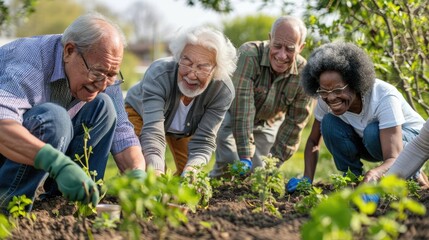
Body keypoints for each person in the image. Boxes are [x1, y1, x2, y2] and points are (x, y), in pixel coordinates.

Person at [0, 12, 146, 213]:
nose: (103, 84)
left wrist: (138, 175)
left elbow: (122, 132)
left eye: (111, 75)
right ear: (69, 51)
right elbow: (3, 128)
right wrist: (57, 164)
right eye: (97, 73)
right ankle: (7, 206)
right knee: (55, 119)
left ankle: (69, 205)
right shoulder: (29, 62)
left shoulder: (102, 68)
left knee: (103, 107)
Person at [286, 41, 429, 193]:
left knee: (372, 132)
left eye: (338, 89)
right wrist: (307, 178)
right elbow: (313, 141)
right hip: (368, 142)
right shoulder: (325, 99)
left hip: (411, 142)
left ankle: (413, 175)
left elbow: (393, 157)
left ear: (355, 83)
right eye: (324, 91)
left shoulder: (384, 96)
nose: (331, 97)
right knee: (328, 123)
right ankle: (353, 181)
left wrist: (374, 174)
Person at [124, 26, 237, 176]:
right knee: (147, 169)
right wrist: (157, 170)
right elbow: (152, 131)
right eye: (187, 62)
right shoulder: (159, 74)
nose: (191, 74)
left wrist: (191, 171)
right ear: (178, 57)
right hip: (140, 115)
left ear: (216, 69)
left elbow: (204, 141)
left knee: (188, 174)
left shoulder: (222, 91)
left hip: (184, 130)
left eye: (203, 67)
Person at [209, 16, 313, 177]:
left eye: (290, 49)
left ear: (301, 47)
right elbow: (242, 106)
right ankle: (212, 188)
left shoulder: (304, 74)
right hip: (231, 114)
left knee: (258, 173)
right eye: (277, 46)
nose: (281, 55)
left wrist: (275, 162)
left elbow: (295, 123)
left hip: (267, 122)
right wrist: (245, 154)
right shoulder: (249, 55)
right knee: (229, 164)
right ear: (270, 39)